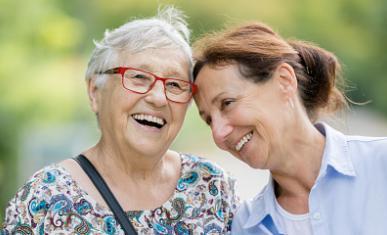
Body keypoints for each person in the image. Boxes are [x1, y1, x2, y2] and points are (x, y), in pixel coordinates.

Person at [1, 7, 238, 234]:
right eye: (138, 77)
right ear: (95, 91)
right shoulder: (45, 198)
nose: (158, 98)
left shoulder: (211, 186)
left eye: (175, 85)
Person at [192, 22, 387, 235]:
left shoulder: (380, 164)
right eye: (209, 120)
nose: (219, 134)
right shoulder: (247, 226)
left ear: (284, 81)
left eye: (227, 103)